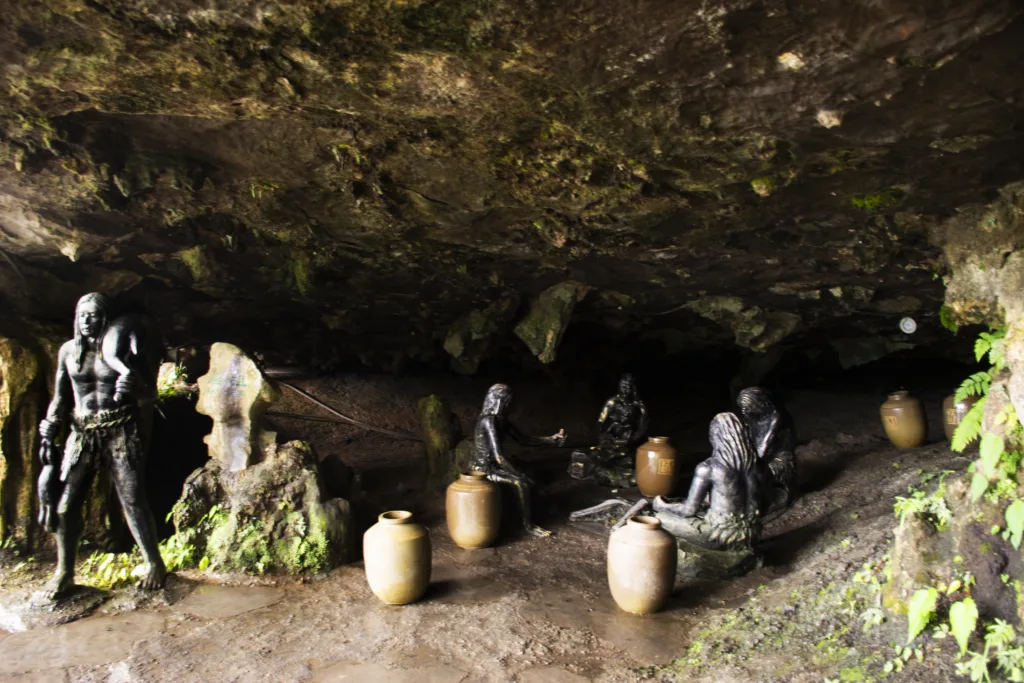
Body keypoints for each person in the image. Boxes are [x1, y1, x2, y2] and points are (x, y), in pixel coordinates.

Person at [37, 293, 166, 599]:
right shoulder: (68, 352)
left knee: (132, 499)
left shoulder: (124, 352)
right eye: (81, 315)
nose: (86, 321)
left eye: (93, 315)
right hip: (82, 433)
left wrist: (135, 384)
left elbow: (150, 394)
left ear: (105, 319)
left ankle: (154, 563)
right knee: (67, 505)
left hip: (119, 429)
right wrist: (50, 423)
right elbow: (60, 396)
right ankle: (64, 572)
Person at [469, 384, 566, 537]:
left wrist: (551, 440)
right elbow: (498, 456)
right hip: (485, 468)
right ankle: (528, 526)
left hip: (496, 463)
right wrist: (518, 475)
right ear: (500, 401)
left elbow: (524, 440)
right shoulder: (489, 421)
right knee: (520, 483)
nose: (510, 406)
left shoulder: (502, 420)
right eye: (508, 402)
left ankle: (537, 511)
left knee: (530, 470)